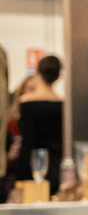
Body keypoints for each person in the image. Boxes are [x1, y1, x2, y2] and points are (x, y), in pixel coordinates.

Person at [15, 57, 63, 186]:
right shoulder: (62, 105)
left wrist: (20, 175)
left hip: (32, 165)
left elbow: (27, 141)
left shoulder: (26, 102)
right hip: (57, 165)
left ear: (37, 73)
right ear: (58, 76)